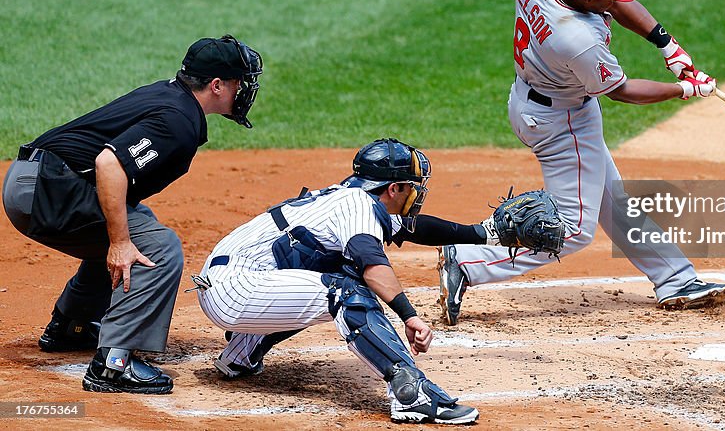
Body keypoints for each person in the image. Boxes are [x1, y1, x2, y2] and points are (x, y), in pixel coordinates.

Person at [439, 0, 725, 325]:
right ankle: (467, 263)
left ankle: (675, 279)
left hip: (532, 99)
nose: (616, 0)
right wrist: (684, 89)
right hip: (562, 123)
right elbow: (621, 90)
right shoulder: (576, 39)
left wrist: (667, 44)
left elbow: (612, 3)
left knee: (609, 196)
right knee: (572, 231)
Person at [1, 35, 263, 394]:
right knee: (157, 246)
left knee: (129, 222)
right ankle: (113, 364)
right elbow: (109, 164)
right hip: (47, 190)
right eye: (237, 82)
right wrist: (120, 243)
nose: (243, 90)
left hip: (33, 182)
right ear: (216, 85)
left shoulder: (171, 97)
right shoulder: (178, 120)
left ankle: (72, 324)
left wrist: (120, 236)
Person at [191, 138, 481, 425]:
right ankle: (412, 394)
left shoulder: (350, 198)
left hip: (231, 285)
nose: (417, 193)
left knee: (329, 267)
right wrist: (410, 316)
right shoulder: (357, 206)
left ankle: (241, 354)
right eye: (412, 186)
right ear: (394, 188)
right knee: (345, 288)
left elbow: (414, 229)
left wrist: (482, 233)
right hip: (236, 291)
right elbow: (372, 267)